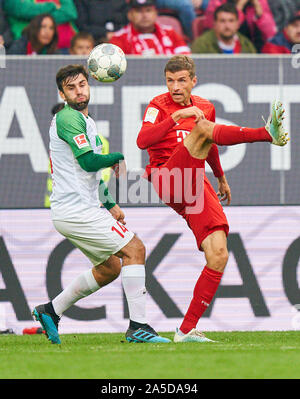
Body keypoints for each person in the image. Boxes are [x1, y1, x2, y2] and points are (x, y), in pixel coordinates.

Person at [136, 55, 288, 342]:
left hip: (195, 181)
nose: (175, 87)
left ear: (194, 80)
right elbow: (143, 141)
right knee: (202, 126)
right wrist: (174, 118)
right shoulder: (158, 106)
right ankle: (267, 134)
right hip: (167, 177)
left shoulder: (205, 106)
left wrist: (220, 176)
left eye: (181, 80)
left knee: (218, 253)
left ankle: (186, 330)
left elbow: (211, 142)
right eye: (170, 80)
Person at [32, 64, 170, 345]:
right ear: (62, 93)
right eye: (71, 87)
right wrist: (117, 156)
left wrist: (109, 204)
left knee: (109, 267)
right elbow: (89, 161)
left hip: (81, 208)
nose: (79, 91)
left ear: (89, 85)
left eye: (82, 84)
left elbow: (89, 172)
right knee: (135, 249)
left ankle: (50, 311)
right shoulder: (68, 118)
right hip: (76, 210)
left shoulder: (86, 121)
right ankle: (138, 327)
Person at [110, 0, 190, 56]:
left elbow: (186, 60)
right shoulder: (119, 38)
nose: (144, 15)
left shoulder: (170, 33)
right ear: (129, 15)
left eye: (148, 11)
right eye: (139, 11)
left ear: (156, 14)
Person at [203, 0, 277, 52]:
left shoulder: (260, 2)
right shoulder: (216, 2)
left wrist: (260, 13)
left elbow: (270, 33)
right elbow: (214, 26)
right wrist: (239, 6)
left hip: (253, 47)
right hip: (221, 47)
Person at [3, 0, 78, 50]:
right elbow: (22, 10)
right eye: (43, 25)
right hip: (28, 48)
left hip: (66, 48)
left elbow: (70, 12)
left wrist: (38, 14)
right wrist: (52, 6)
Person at [191, 3, 256, 54]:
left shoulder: (247, 45)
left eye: (231, 21)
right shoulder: (201, 45)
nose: (227, 25)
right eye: (222, 21)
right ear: (215, 23)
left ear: (238, 24)